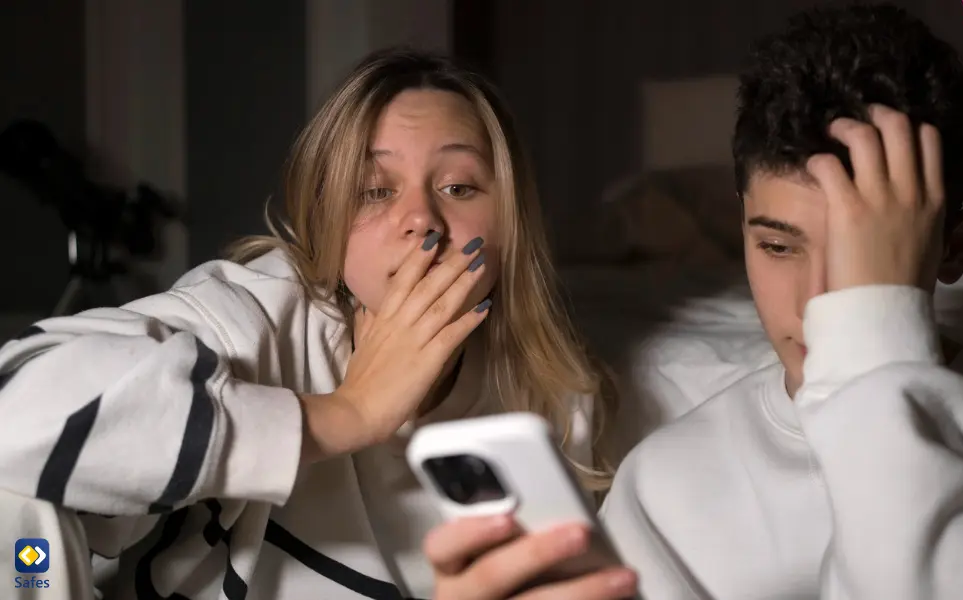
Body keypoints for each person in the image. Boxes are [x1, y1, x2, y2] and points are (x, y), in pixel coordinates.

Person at [422, 5, 963, 599]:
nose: (822, 304)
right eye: (778, 246)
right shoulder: (663, 480)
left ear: (951, 247)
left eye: (861, 255)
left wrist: (876, 335)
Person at [0, 49, 640, 600]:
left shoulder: (553, 398)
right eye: (375, 190)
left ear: (510, 226)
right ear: (327, 224)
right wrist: (345, 414)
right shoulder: (254, 317)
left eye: (459, 187)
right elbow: (14, 413)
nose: (422, 220)